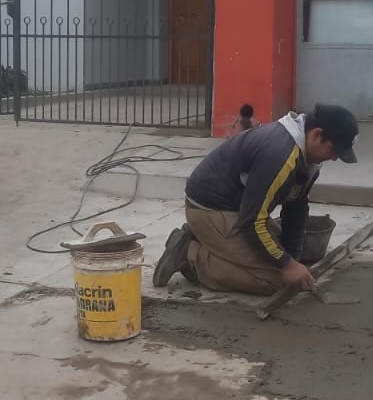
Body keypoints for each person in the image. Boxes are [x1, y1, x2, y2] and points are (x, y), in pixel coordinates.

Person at [153, 104, 358, 296]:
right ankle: (190, 255)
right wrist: (286, 266)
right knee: (275, 281)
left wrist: (292, 257)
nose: (334, 158)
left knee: (289, 264)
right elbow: (252, 222)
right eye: (334, 151)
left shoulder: (307, 156)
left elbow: (296, 205)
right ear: (316, 135)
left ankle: (208, 240)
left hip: (240, 208)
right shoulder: (280, 155)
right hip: (211, 209)